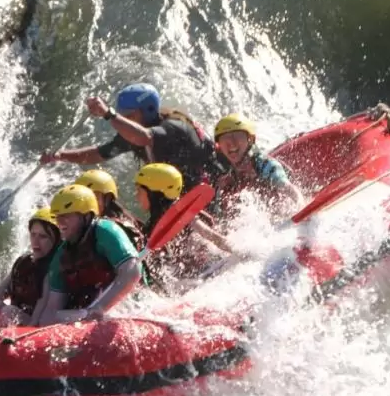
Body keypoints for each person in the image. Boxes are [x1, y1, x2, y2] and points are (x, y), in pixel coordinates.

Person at [39, 83, 223, 194]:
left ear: (147, 111)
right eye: (122, 115)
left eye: (129, 115)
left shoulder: (173, 127)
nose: (123, 119)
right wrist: (60, 156)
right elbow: (98, 154)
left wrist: (107, 113)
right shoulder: (132, 135)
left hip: (209, 186)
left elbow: (145, 138)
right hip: (179, 191)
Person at [30, 184, 143, 326]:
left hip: (125, 305)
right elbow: (51, 310)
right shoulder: (62, 255)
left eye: (66, 216)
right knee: (51, 317)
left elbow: (132, 273)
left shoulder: (106, 231)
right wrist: (84, 315)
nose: (60, 221)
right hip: (88, 314)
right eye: (58, 216)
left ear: (86, 216)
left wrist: (100, 308)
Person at [134, 163, 233, 295]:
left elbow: (210, 235)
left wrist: (238, 250)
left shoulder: (183, 214)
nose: (136, 196)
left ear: (154, 193)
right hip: (185, 282)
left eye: (139, 191)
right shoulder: (155, 222)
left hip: (207, 275)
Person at [213, 113, 304, 221]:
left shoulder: (265, 164)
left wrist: (301, 209)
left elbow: (289, 189)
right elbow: (221, 220)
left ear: (250, 139)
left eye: (237, 136)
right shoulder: (225, 182)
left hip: (283, 216)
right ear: (219, 146)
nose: (231, 143)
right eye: (225, 139)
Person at [74, 169, 145, 251]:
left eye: (93, 197)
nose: (88, 204)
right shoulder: (125, 218)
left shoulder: (113, 227)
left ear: (108, 198)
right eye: (82, 200)